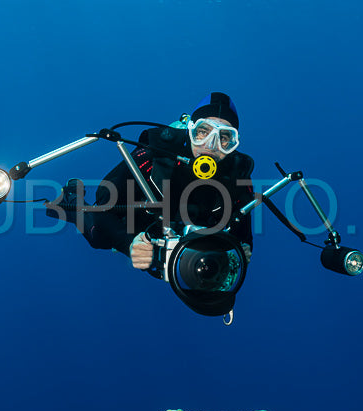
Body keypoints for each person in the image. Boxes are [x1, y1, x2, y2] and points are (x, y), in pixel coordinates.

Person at [46, 91, 254, 274]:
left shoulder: (238, 175)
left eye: (225, 137)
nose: (211, 145)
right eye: (203, 131)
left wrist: (240, 252)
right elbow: (103, 203)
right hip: (139, 220)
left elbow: (243, 233)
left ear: (233, 144)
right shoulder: (157, 153)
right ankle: (69, 199)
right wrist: (129, 244)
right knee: (98, 238)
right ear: (190, 130)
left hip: (187, 236)